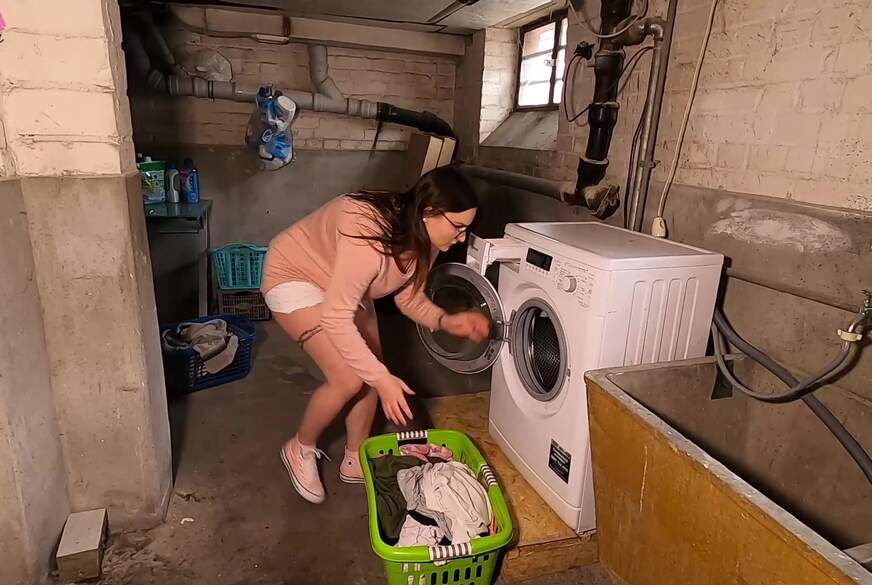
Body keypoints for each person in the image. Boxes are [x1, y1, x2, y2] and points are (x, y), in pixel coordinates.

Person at [261, 166, 490, 504]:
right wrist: (382, 380)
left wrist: (446, 320)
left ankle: (355, 456)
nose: (460, 238)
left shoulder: (425, 235)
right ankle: (300, 447)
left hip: (343, 281)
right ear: (429, 212)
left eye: (466, 229)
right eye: (458, 227)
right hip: (294, 274)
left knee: (371, 363)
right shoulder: (367, 239)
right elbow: (336, 318)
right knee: (350, 377)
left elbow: (408, 297)